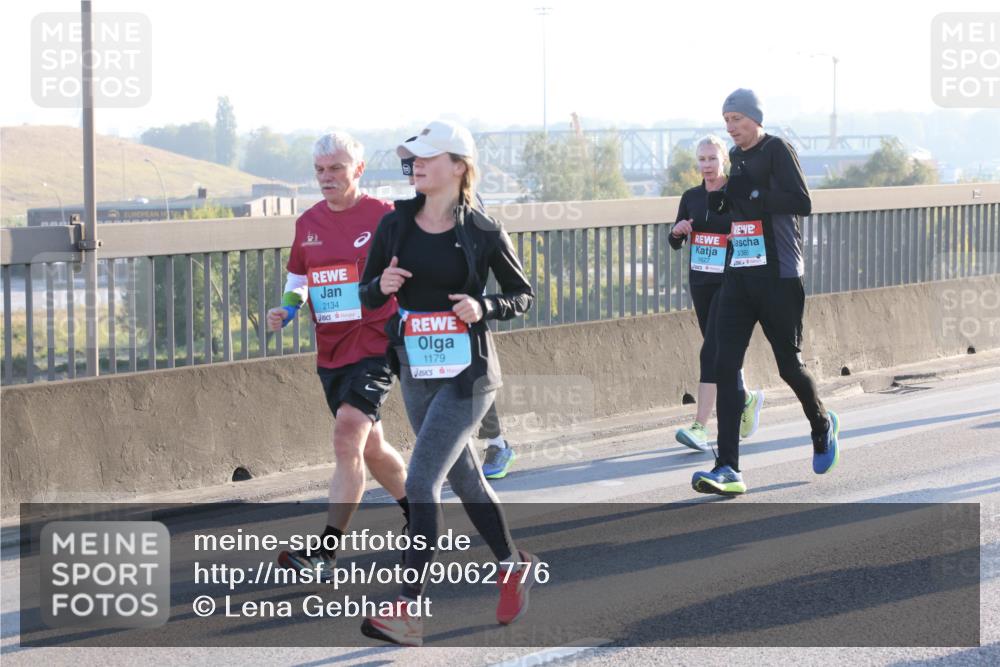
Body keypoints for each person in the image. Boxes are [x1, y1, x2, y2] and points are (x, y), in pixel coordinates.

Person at [359, 120, 537, 647]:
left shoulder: (482, 230)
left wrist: (483, 306)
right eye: (412, 158)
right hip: (416, 369)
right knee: (466, 481)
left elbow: (521, 295)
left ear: (458, 165)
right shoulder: (395, 225)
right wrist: (381, 284)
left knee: (420, 483)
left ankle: (408, 611)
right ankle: (511, 564)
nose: (416, 164)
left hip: (468, 376)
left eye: (428, 157)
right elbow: (367, 293)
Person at [267, 131, 409, 577]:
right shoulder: (308, 222)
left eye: (335, 168)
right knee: (372, 447)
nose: (326, 177)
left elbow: (415, 268)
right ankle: (422, 515)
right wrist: (287, 309)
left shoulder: (385, 216)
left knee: (348, 434)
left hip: (376, 343)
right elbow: (299, 281)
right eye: (319, 170)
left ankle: (325, 554)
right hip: (331, 350)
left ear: (358, 170)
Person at [692, 89, 840, 496]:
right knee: (724, 366)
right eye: (726, 120)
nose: (731, 127)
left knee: (788, 366)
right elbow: (742, 209)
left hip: (779, 275)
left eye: (737, 119)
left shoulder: (777, 150)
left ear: (755, 118)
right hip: (740, 273)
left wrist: (756, 195)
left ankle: (821, 423)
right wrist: (725, 204)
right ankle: (728, 467)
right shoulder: (735, 157)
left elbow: (802, 202)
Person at [403, 149, 518, 480]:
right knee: (444, 387)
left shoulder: (467, 205)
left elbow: (487, 259)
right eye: (410, 170)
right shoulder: (409, 213)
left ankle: (496, 444)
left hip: (463, 316)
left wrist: (481, 306)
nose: (413, 175)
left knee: (470, 382)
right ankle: (457, 459)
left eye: (419, 167)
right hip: (425, 323)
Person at [669, 135, 764, 452]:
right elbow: (675, 240)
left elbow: (753, 231)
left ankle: (700, 427)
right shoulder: (691, 197)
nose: (706, 165)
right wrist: (677, 231)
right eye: (702, 159)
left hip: (730, 282)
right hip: (700, 282)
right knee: (721, 352)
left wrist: (738, 236)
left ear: (723, 159)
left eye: (712, 158)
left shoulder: (736, 193)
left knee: (710, 351)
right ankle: (746, 399)